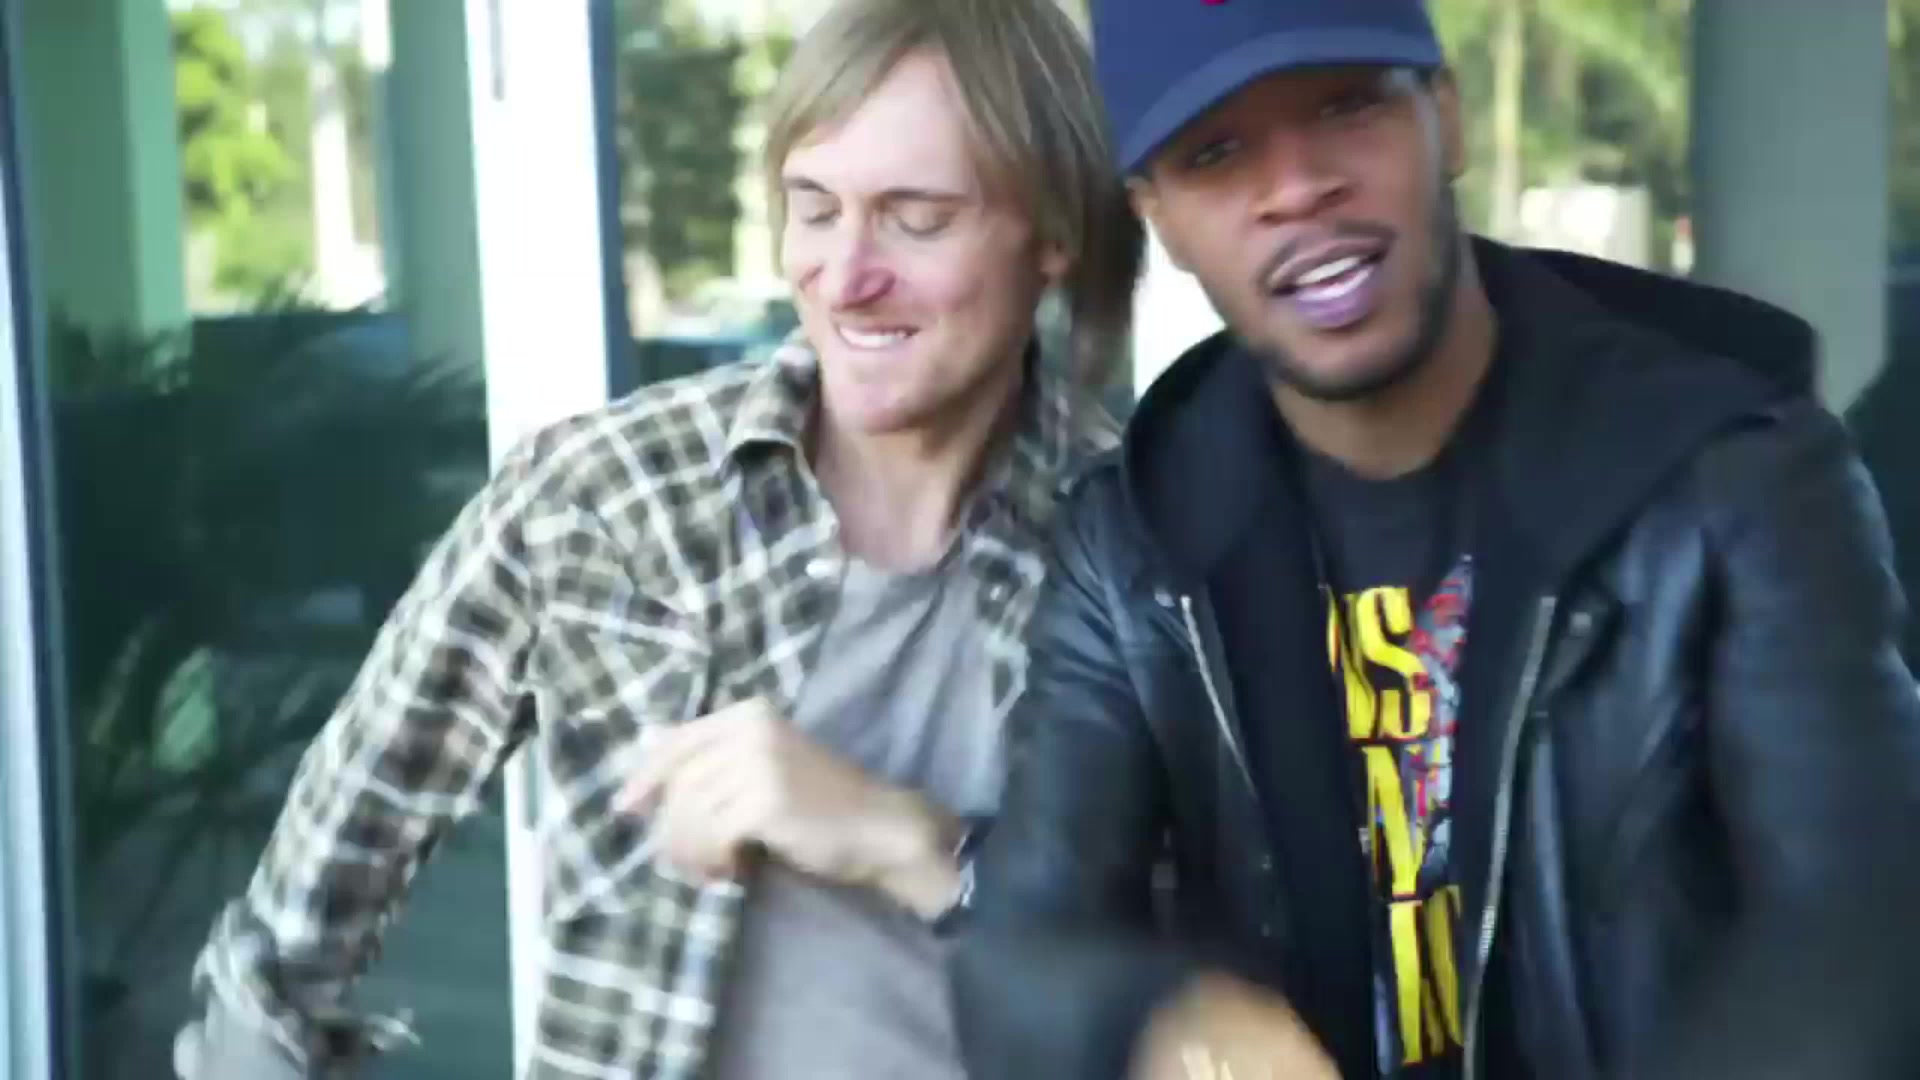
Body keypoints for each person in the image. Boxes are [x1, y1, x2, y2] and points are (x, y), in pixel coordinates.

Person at [949, 2, 1920, 1079]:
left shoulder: (1735, 477)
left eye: (1346, 106)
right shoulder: (1137, 539)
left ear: (1444, 119)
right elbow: (1020, 947)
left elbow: (1857, 926)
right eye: (1216, 154)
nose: (1296, 187)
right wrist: (1170, 1021)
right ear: (1159, 219)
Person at [173, 1, 1140, 1076]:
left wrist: (906, 841)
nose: (846, 276)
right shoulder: (604, 497)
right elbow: (303, 910)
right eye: (814, 209)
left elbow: (1177, 990)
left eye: (915, 218)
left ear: (1054, 235)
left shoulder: (1137, 544)